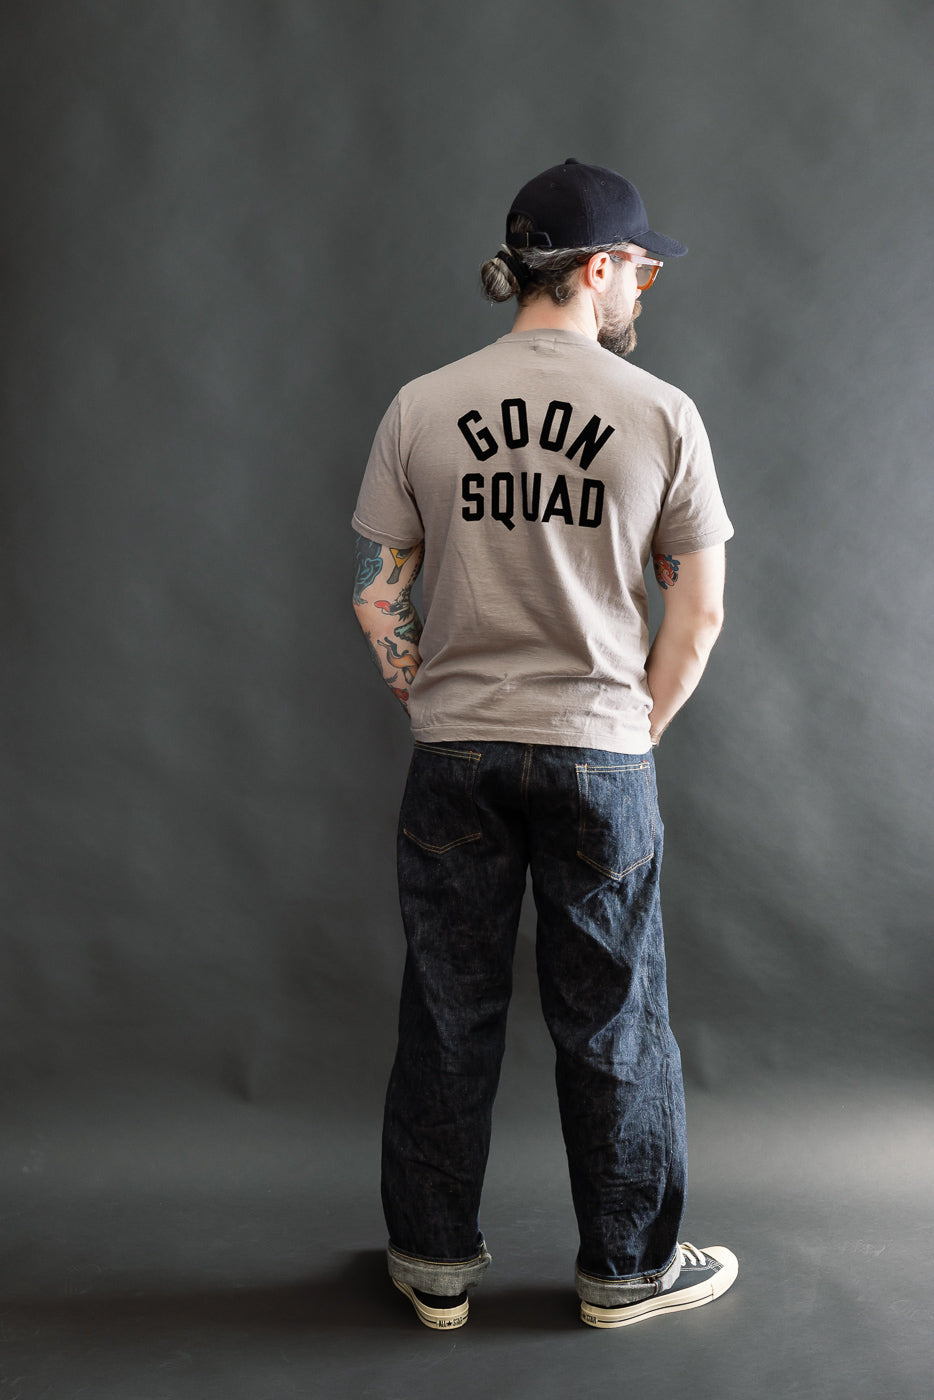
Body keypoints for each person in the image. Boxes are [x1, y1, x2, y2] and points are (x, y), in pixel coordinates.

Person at [351, 158, 737, 1331]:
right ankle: (624, 1270)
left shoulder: (422, 403)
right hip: (601, 751)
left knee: (446, 1005)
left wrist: (437, 702)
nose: (642, 293)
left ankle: (430, 1262)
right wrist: (628, 731)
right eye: (639, 269)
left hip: (454, 748)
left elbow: (378, 593)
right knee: (613, 1013)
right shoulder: (661, 410)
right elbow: (701, 610)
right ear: (598, 267)